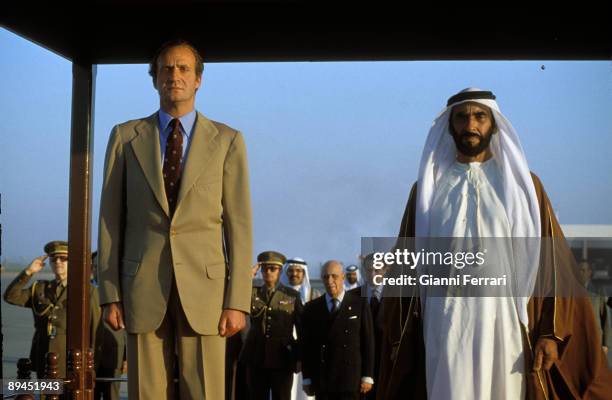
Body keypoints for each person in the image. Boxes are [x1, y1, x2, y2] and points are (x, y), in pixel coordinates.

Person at [377, 88, 612, 400]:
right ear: (450, 127)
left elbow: (551, 263)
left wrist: (548, 332)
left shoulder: (522, 186)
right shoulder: (427, 190)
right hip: (445, 322)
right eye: (461, 117)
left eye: (479, 116)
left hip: (504, 322)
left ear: (494, 124)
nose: (470, 124)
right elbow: (405, 263)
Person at [97, 39, 253, 400]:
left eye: (184, 68)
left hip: (208, 292)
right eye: (167, 68)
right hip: (141, 287)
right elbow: (109, 221)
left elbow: (240, 225)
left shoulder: (228, 140)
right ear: (155, 80)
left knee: (206, 391)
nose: (175, 75)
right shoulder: (126, 137)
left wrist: (237, 301)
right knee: (145, 392)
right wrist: (109, 294)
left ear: (198, 80)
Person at [3, 241, 98, 380]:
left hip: (72, 360)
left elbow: (94, 329)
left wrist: (91, 363)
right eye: (54, 259)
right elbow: (10, 297)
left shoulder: (87, 291)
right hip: (44, 358)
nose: (58, 261)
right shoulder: (40, 288)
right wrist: (28, 272)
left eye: (63, 258)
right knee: (47, 394)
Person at [302, 260, 375, 400]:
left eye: (334, 276)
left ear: (343, 277)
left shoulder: (359, 304)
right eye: (325, 277)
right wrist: (307, 378)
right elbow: (307, 347)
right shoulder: (312, 308)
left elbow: (368, 342)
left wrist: (368, 376)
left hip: (351, 378)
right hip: (323, 378)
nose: (330, 281)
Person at [240, 251, 303, 400]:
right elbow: (233, 294)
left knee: (282, 396)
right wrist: (247, 276)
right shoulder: (251, 293)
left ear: (280, 270)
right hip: (256, 357)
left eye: (273, 269)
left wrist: (300, 357)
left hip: (282, 358)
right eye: (265, 269)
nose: (268, 272)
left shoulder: (292, 295)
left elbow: (301, 329)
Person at [279, 257, 321, 400]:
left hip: (307, 348)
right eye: (291, 271)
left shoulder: (314, 295)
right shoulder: (279, 295)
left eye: (298, 271)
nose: (294, 274)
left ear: (304, 274)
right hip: (284, 348)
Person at [349, 253, 388, 400]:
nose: (372, 274)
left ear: (385, 270)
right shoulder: (352, 296)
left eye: (377, 270)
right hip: (361, 364)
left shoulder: (397, 297)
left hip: (387, 361)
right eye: (369, 270)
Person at [90, 251, 126, 400]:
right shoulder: (85, 290)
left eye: (102, 266)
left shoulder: (120, 293)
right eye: (96, 266)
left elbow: (127, 330)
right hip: (90, 357)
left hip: (113, 356)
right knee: (92, 394)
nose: (99, 270)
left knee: (112, 395)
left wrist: (126, 358)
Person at [578, 260, 611, 363]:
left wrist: (606, 344)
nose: (581, 273)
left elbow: (606, 318)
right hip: (578, 340)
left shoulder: (599, 290)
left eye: (584, 270)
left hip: (595, 339)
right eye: (579, 270)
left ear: (590, 272)